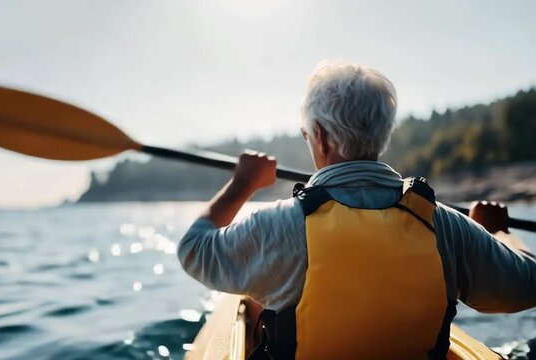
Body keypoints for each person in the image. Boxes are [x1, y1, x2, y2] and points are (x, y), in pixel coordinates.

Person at [177, 60, 536, 359]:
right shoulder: (447, 226)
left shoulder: (280, 224)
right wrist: (499, 234)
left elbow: (194, 250)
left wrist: (243, 184)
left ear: (317, 135)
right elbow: (527, 286)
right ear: (384, 134)